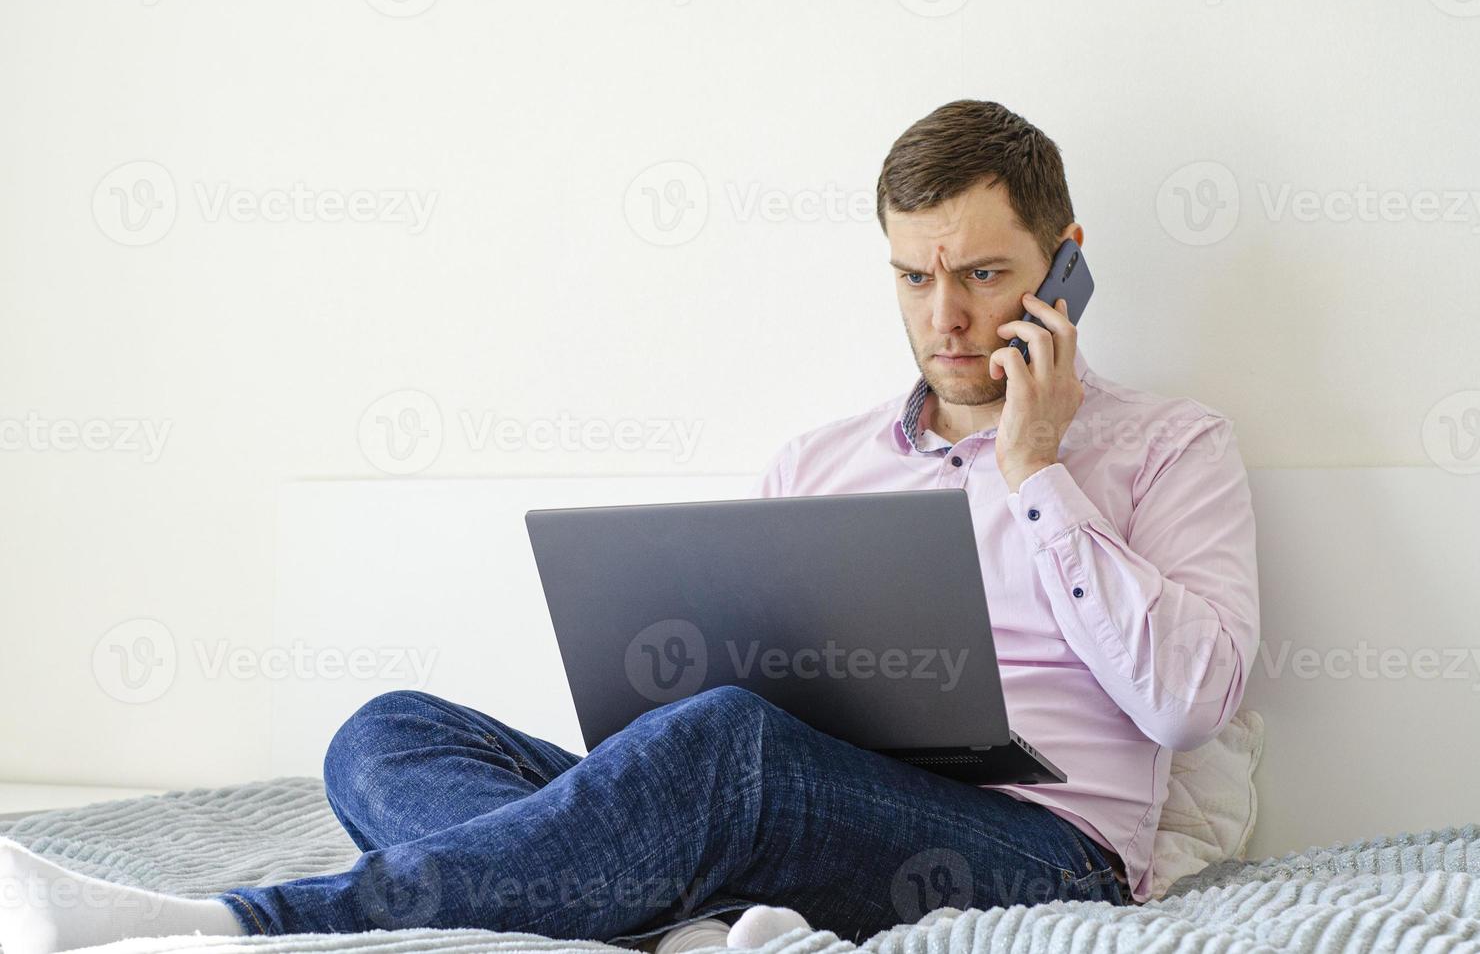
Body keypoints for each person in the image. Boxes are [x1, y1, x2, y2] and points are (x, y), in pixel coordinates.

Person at [0, 99, 1259, 954]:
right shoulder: (814, 460)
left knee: (724, 746)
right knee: (385, 733)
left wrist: (1036, 472)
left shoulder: (1167, 448)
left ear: (1064, 261)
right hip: (777, 808)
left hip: (1040, 847)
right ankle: (664, 918)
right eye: (913, 275)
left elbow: (1190, 701)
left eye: (984, 273)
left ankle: (244, 924)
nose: (947, 316)